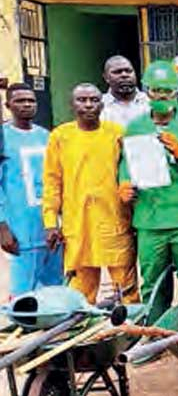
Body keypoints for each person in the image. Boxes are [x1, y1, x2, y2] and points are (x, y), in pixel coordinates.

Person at [118, 61, 178, 324]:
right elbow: (125, 164)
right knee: (153, 280)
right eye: (156, 90)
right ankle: (154, 329)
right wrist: (123, 185)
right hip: (150, 218)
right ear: (147, 92)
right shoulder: (135, 127)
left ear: (177, 92)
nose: (162, 96)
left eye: (168, 90)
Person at [42, 83, 138, 304]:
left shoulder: (116, 133)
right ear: (71, 105)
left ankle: (129, 332)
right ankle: (85, 331)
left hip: (114, 221)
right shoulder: (60, 136)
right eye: (82, 100)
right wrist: (50, 222)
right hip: (78, 226)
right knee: (80, 294)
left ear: (102, 104)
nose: (88, 105)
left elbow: (130, 170)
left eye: (93, 100)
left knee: (126, 289)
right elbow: (52, 181)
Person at [1, 84, 63, 297]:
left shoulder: (47, 136)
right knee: (23, 293)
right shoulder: (3, 137)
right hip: (21, 229)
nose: (26, 104)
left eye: (31, 100)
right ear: (8, 105)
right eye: (20, 101)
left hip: (49, 228)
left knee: (55, 290)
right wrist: (2, 227)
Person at [101, 56, 149, 129]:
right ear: (106, 77)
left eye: (129, 71)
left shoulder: (150, 103)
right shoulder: (99, 106)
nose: (124, 75)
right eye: (117, 72)